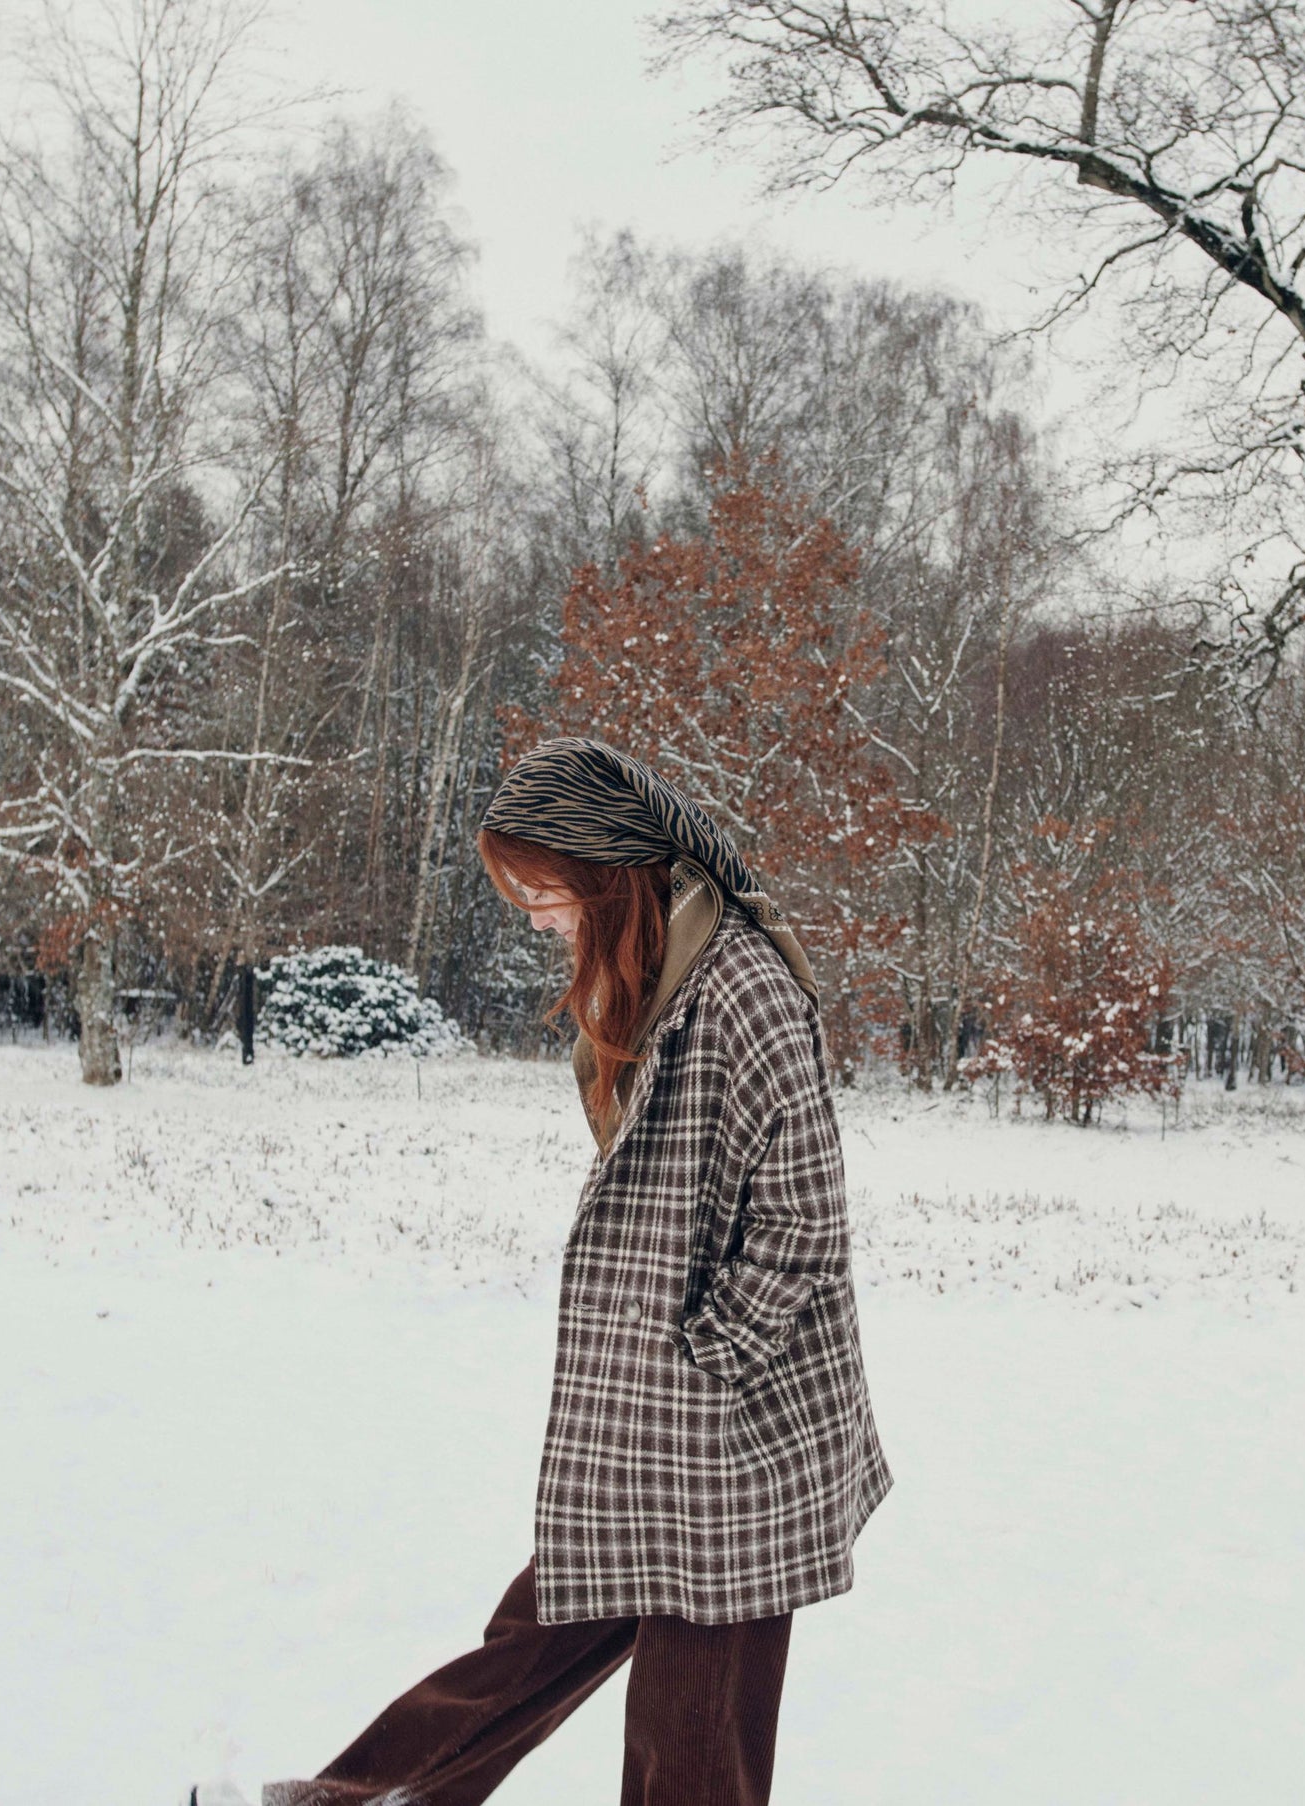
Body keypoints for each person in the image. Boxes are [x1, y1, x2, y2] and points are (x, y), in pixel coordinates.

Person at [196, 736, 892, 1806]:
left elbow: (801, 1216)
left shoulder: (743, 988)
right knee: (533, 1639)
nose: (535, 916)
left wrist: (707, 1362)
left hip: (729, 1434)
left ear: (604, 867)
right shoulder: (666, 976)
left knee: (691, 1740)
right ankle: (358, 1799)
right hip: (653, 1418)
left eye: (543, 890)